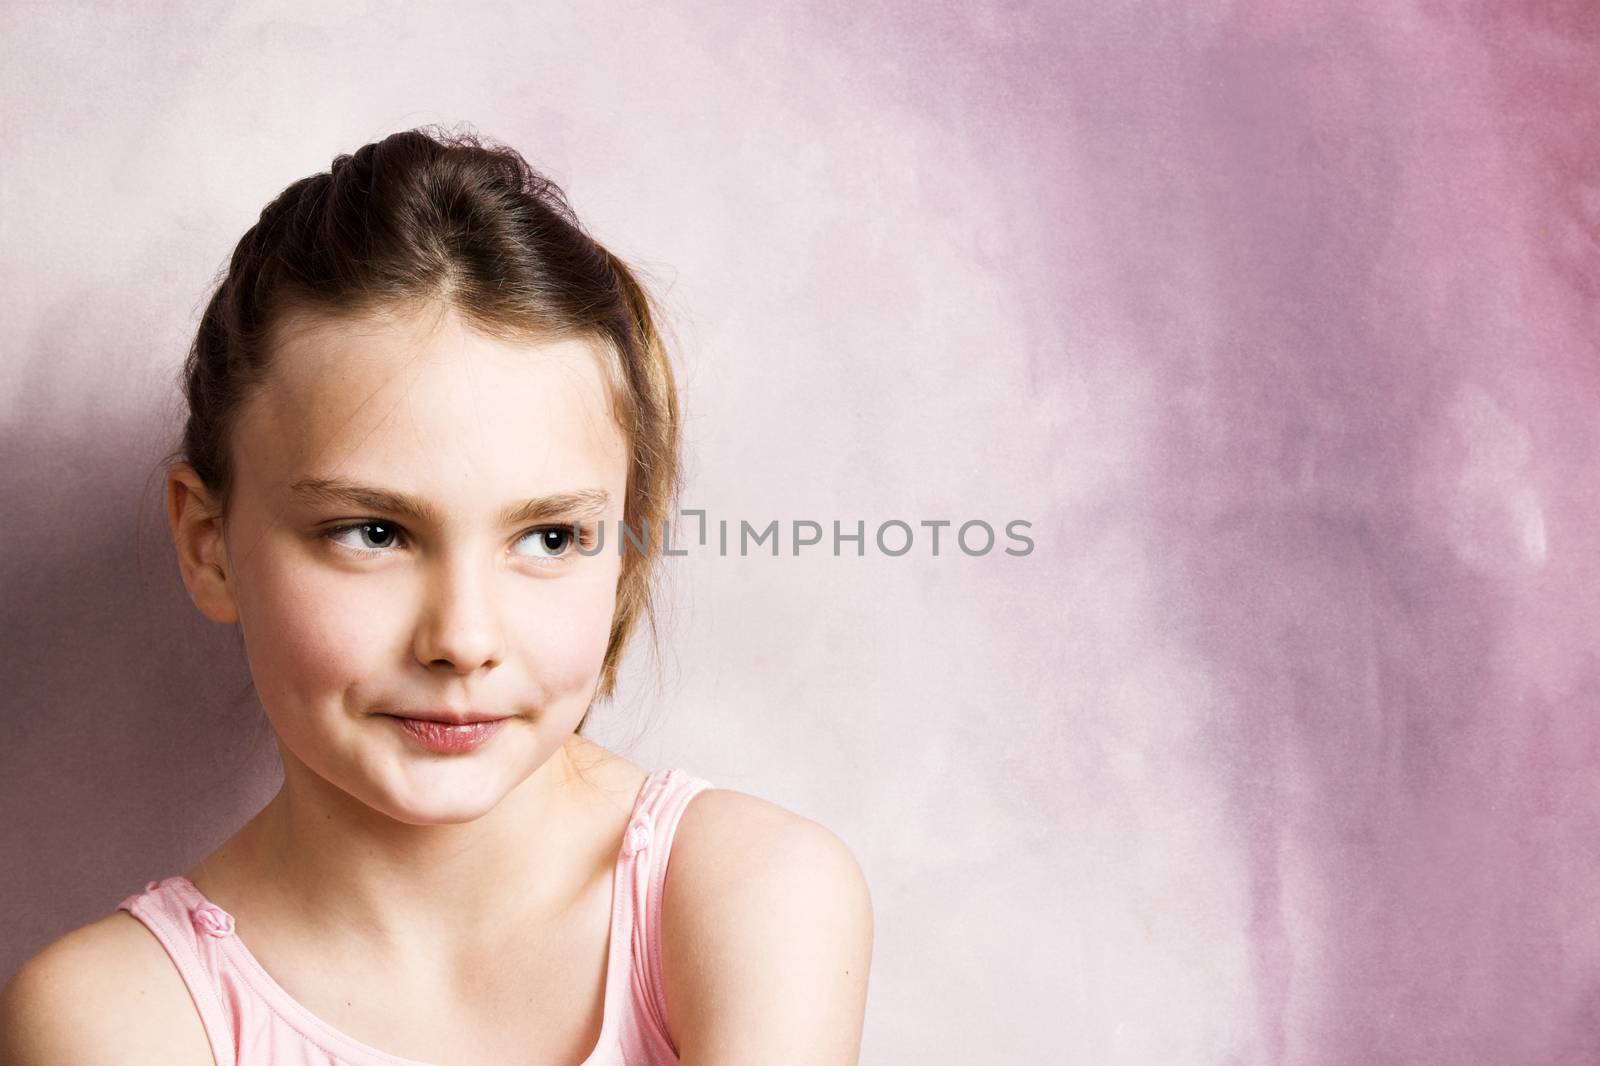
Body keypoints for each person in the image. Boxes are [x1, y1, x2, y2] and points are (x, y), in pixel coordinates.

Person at [0, 126, 873, 1065]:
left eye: (549, 538)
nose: (463, 639)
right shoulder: (117, 1018)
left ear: (624, 549)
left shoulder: (749, 896)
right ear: (209, 545)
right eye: (372, 533)